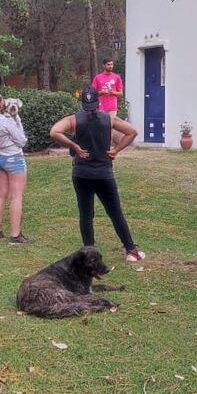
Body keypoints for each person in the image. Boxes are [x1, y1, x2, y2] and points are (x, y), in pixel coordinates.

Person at [49, 86, 145, 262]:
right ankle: (131, 251)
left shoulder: (74, 120)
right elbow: (132, 132)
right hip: (104, 174)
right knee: (115, 212)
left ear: (82, 103)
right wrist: (116, 150)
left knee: (86, 214)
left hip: (81, 173)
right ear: (98, 102)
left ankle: (89, 255)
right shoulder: (109, 119)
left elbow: (54, 131)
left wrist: (74, 146)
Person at [0, 92, 30, 244]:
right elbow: (21, 141)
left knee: (1, 195)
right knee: (16, 196)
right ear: (1, 105)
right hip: (14, 159)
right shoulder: (6, 122)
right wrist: (16, 118)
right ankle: (15, 235)